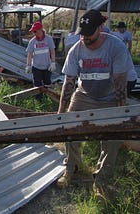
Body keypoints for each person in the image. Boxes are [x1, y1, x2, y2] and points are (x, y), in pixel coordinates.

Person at [56, 10, 134, 200]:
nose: (85, 38)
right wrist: (60, 115)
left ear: (100, 28)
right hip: (84, 95)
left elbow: (120, 84)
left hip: (110, 96)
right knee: (70, 127)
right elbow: (68, 83)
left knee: (112, 137)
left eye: (89, 33)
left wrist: (119, 116)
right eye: (82, 33)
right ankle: (71, 168)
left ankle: (101, 181)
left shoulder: (116, 47)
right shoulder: (76, 49)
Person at [25, 21, 56, 88]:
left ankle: (47, 97)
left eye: (35, 31)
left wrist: (53, 63)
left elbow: (52, 51)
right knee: (37, 85)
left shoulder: (49, 39)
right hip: (36, 67)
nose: (34, 33)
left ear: (40, 30)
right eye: (33, 32)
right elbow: (30, 54)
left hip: (47, 66)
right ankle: (38, 98)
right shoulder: (32, 42)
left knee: (47, 83)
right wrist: (28, 65)